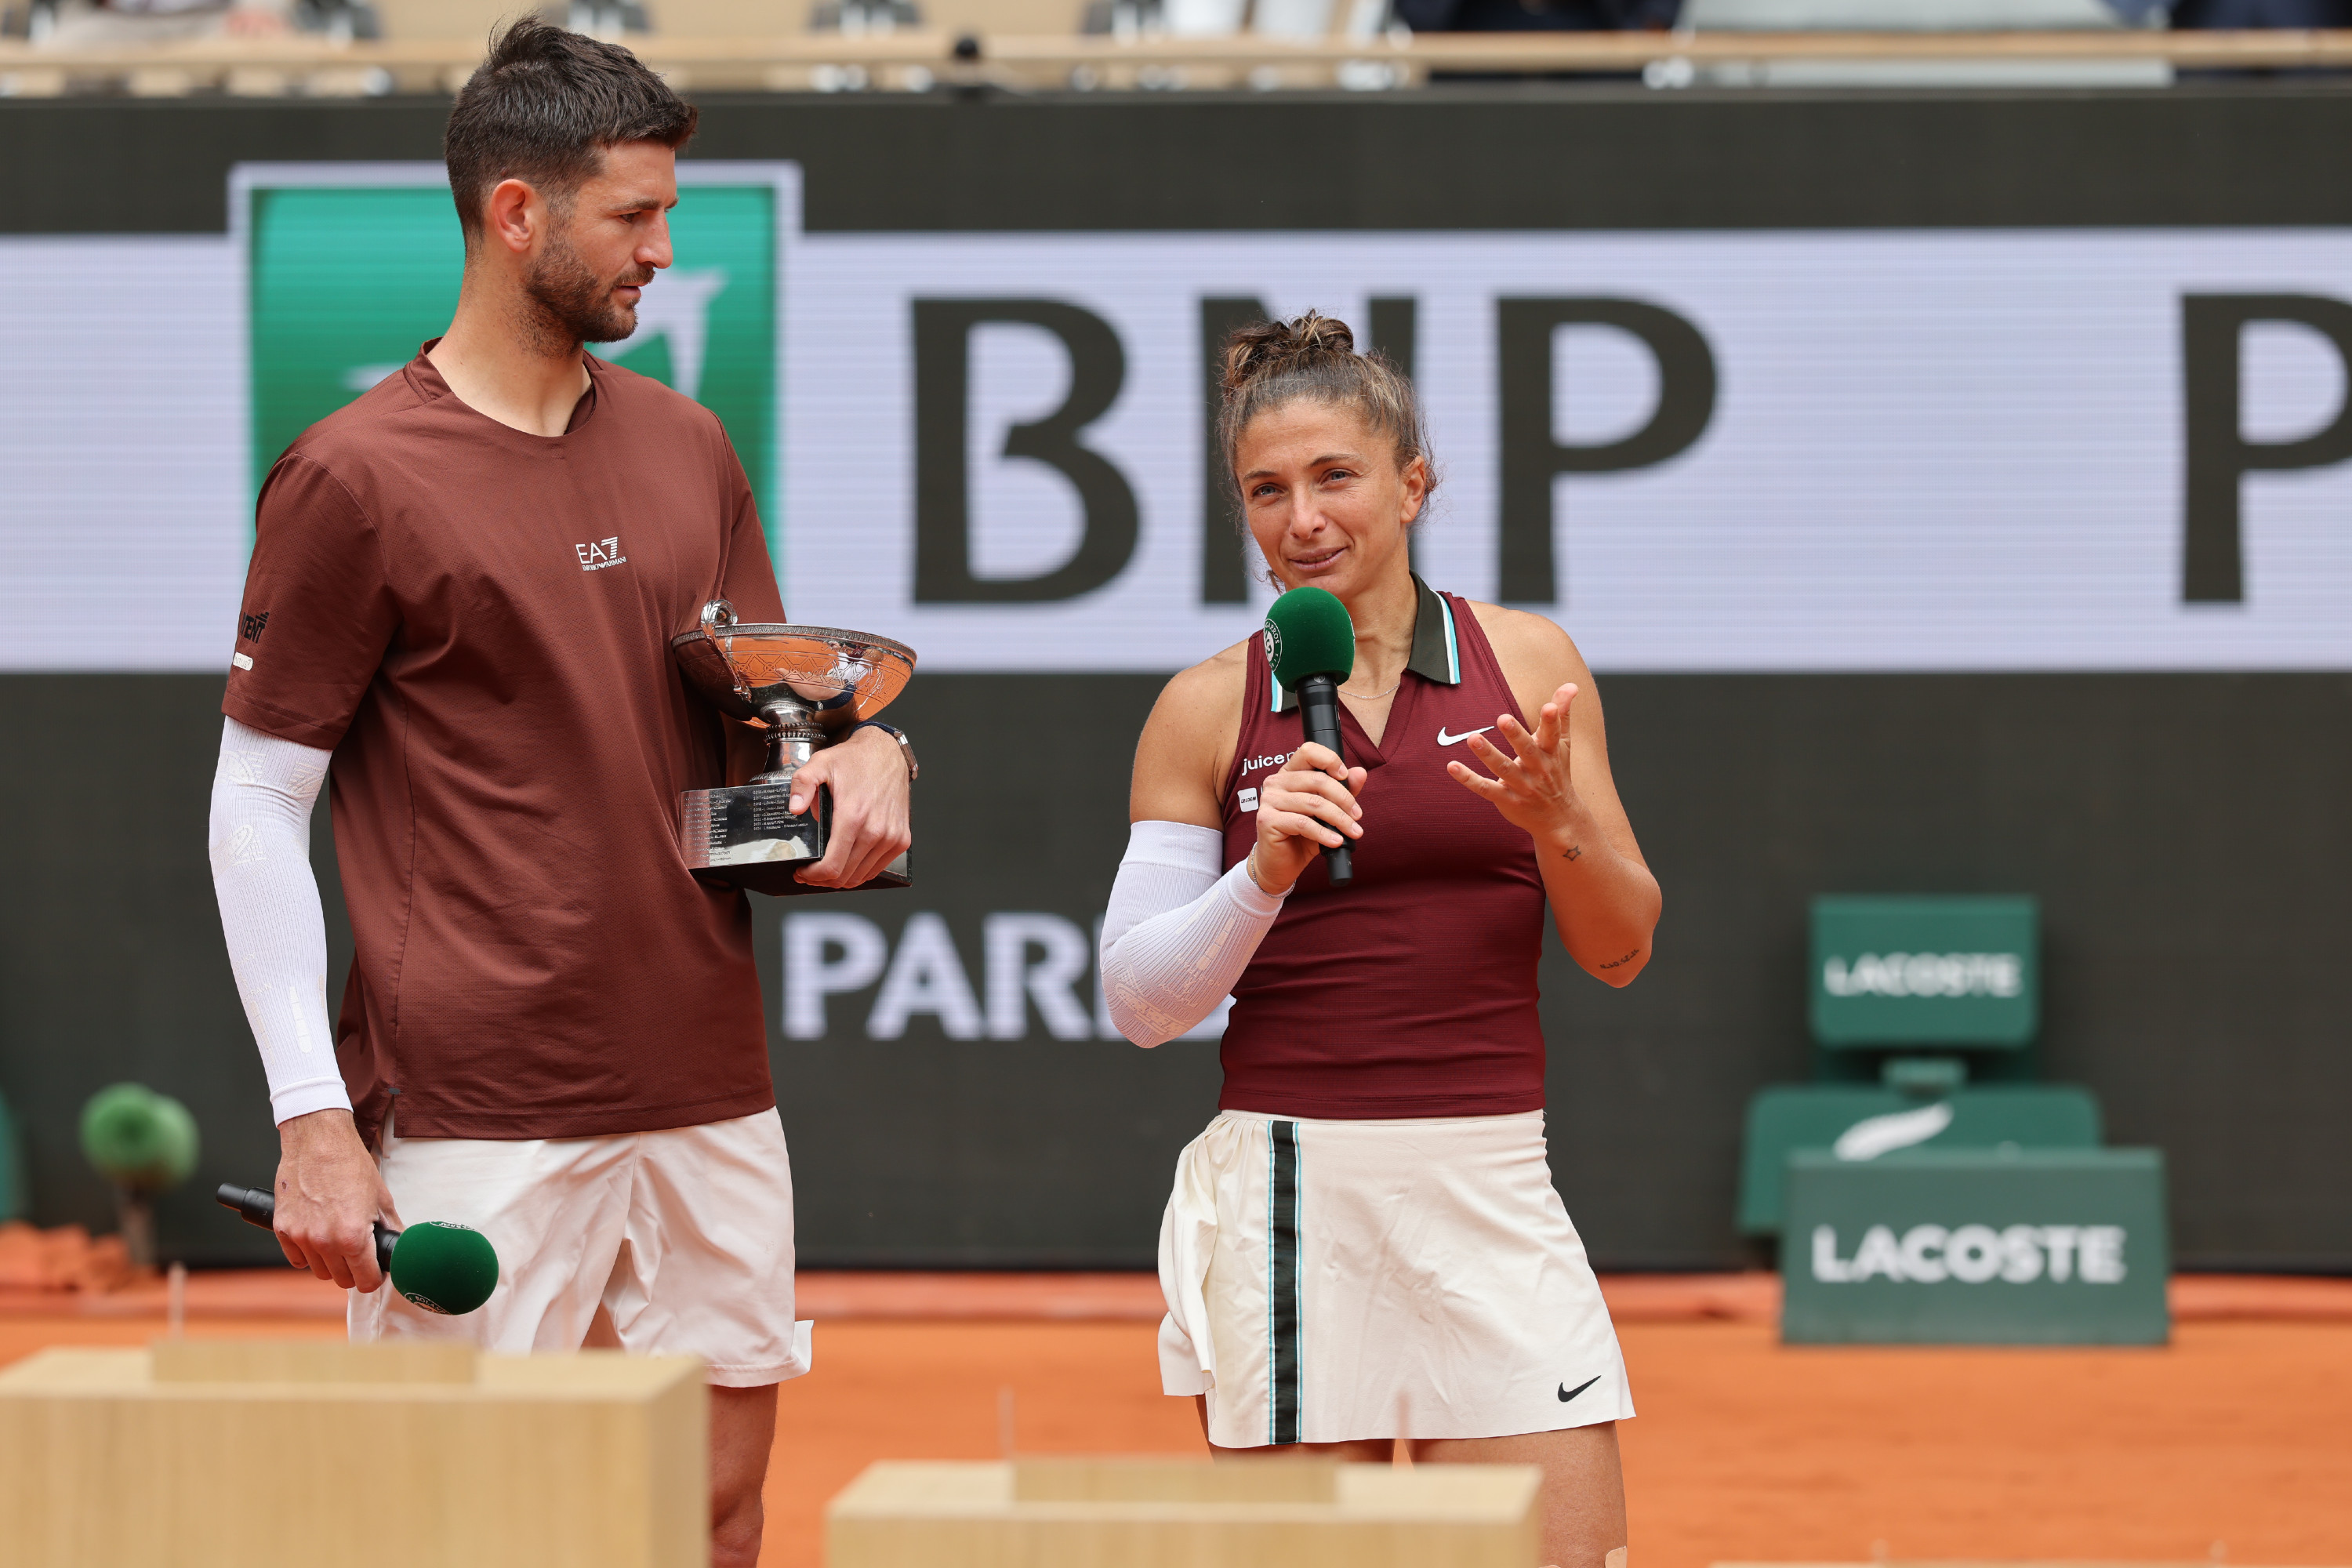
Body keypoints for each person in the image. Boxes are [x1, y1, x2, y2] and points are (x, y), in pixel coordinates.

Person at [204, 20, 913, 1567]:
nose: (666, 250)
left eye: (671, 214)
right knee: (461, 1532)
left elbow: (751, 763)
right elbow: (256, 802)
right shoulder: (353, 475)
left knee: (714, 1519)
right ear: (516, 211)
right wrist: (314, 1121)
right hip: (475, 1108)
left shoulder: (689, 445)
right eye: (635, 215)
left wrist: (862, 761)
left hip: (707, 1085)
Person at [1098, 312, 1661, 1568]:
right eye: (1267, 490)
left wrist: (1559, 824)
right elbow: (1140, 1002)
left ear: (1414, 484)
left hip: (1493, 1184)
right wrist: (1262, 875)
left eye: (1335, 477)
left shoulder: (1528, 662)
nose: (1302, 519)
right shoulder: (1204, 706)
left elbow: (1621, 948)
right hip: (1294, 1196)